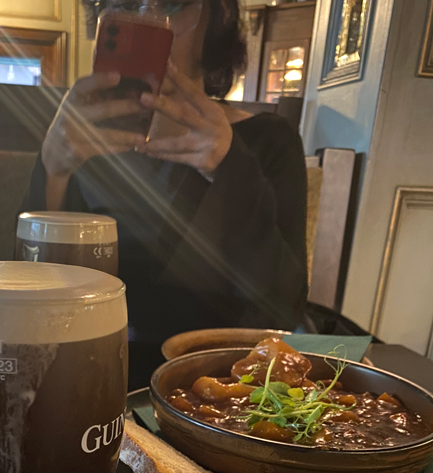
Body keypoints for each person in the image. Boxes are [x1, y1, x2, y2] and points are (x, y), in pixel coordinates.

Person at [22, 0, 308, 343]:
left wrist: (231, 168)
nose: (149, 19)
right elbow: (32, 294)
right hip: (95, 364)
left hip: (215, 373)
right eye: (125, 4)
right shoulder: (81, 143)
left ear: (220, 16)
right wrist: (52, 169)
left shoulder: (268, 141)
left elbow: (282, 312)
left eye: (172, 2)